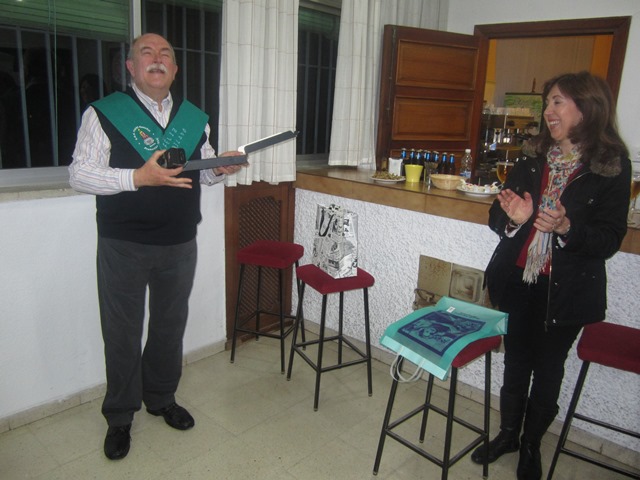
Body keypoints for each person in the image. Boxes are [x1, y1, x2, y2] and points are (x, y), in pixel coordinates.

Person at [69, 33, 243, 461]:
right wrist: (136, 178)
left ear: (175, 69)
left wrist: (220, 168)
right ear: (130, 67)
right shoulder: (104, 113)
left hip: (179, 243)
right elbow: (79, 174)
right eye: (146, 52)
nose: (157, 59)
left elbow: (199, 173)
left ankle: (162, 397)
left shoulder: (194, 118)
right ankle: (120, 416)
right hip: (123, 244)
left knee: (169, 327)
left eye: (166, 53)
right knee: (122, 333)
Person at [471, 71, 631, 480]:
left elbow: (610, 238)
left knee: (548, 369)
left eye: (557, 101)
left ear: (587, 107)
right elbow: (497, 213)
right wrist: (516, 219)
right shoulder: (532, 157)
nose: (548, 111)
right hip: (518, 279)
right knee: (515, 362)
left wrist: (565, 228)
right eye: (547, 103)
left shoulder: (610, 166)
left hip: (567, 289)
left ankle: (531, 445)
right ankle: (508, 434)